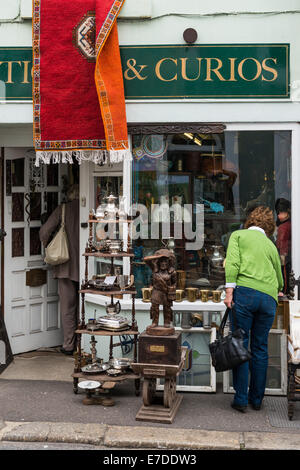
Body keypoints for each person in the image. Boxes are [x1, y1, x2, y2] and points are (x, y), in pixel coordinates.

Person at [224, 206, 283, 412]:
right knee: (260, 348)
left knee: (240, 345)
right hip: (268, 298)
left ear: (250, 221)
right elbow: (279, 276)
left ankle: (241, 399)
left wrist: (229, 292)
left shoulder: (238, 236)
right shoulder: (271, 245)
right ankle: (257, 400)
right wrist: (278, 290)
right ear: (269, 227)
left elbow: (232, 263)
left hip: (246, 294)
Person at [39, 184, 79, 355]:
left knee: (68, 307)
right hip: (88, 265)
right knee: (85, 306)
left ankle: (69, 345)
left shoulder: (63, 210)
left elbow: (44, 231)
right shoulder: (90, 208)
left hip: (65, 265)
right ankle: (83, 346)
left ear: (69, 194)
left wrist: (48, 245)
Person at [275, 198, 291, 295]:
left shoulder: (283, 227)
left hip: (283, 256)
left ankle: (285, 292)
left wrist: (282, 259)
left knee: (284, 275)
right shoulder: (289, 224)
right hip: (287, 254)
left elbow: (282, 243)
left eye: (281, 212)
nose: (278, 215)